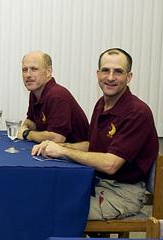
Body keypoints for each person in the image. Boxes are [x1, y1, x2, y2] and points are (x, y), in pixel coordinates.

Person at [32, 48, 159, 220]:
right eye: (105, 70)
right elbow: (92, 146)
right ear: (97, 74)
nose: (111, 77)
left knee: (51, 213)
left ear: (129, 77)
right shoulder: (102, 104)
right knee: (38, 196)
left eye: (118, 72)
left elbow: (110, 164)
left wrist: (64, 151)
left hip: (122, 192)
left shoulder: (137, 112)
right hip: (96, 181)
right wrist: (59, 146)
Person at [18, 51, 89, 143]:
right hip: (52, 152)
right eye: (24, 70)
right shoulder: (35, 92)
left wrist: (26, 134)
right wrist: (23, 128)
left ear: (48, 72)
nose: (28, 75)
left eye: (34, 69)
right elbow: (32, 121)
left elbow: (57, 138)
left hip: (74, 153)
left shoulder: (57, 95)